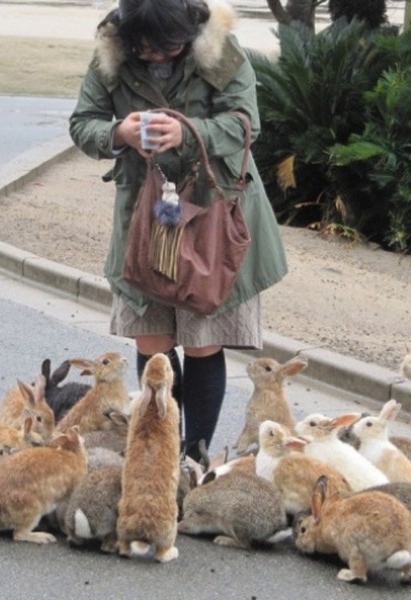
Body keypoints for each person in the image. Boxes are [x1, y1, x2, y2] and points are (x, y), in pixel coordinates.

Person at [68, 0, 287, 458]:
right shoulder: (111, 53)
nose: (158, 57)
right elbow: (82, 124)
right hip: (144, 217)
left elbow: (247, 123)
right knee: (153, 341)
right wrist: (119, 134)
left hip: (211, 216)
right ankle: (160, 451)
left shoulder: (218, 48)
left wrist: (189, 133)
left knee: (203, 341)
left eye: (169, 46)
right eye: (145, 48)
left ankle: (195, 455)